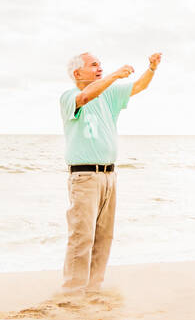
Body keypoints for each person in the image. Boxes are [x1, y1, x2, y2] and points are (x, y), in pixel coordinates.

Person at [59, 51, 162, 296]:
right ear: (77, 73)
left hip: (109, 176)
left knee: (103, 237)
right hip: (84, 177)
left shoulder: (108, 95)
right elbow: (85, 96)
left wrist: (151, 69)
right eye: (93, 65)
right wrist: (115, 75)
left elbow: (138, 86)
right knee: (81, 236)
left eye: (100, 65)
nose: (99, 68)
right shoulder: (69, 96)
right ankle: (72, 293)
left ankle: (93, 289)